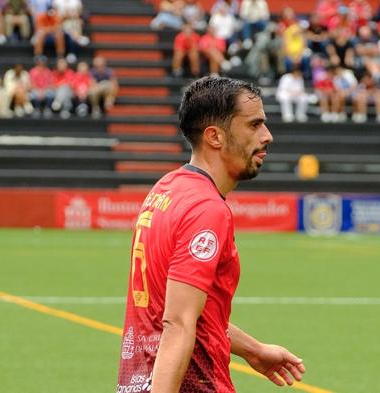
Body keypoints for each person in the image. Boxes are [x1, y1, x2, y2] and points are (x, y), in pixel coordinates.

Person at [116, 76, 305, 392]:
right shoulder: (206, 209)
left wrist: (253, 350)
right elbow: (177, 324)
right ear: (215, 136)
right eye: (254, 125)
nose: (267, 136)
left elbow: (184, 310)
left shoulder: (165, 188)